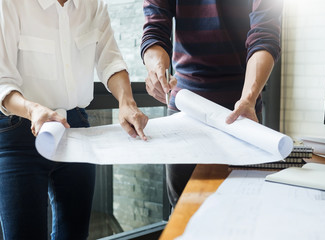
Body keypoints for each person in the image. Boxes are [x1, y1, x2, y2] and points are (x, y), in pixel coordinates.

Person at [0, 0, 148, 239]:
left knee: (75, 233)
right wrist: (33, 109)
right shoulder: (10, 4)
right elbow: (2, 80)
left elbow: (111, 61)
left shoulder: (94, 5)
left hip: (75, 127)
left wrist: (126, 102)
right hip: (19, 130)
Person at [141, 0, 283, 207]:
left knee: (241, 205)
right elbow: (155, 29)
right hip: (186, 108)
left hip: (242, 111)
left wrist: (248, 98)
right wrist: (156, 70)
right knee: (184, 208)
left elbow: (265, 33)